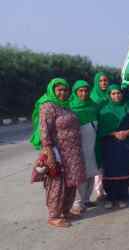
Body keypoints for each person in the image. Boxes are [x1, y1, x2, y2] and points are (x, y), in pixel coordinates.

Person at [30, 78, 86, 228]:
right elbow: (44, 132)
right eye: (59, 90)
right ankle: (54, 215)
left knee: (71, 183)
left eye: (65, 90)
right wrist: (49, 153)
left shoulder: (67, 106)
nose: (63, 93)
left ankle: (66, 211)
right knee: (56, 183)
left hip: (73, 153)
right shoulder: (48, 107)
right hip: (57, 152)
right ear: (53, 90)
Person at [97, 85, 129, 209]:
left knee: (124, 168)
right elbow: (100, 129)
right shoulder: (104, 110)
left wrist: (126, 133)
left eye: (118, 93)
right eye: (113, 94)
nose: (116, 96)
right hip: (109, 145)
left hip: (125, 144)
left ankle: (123, 196)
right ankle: (110, 197)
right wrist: (114, 133)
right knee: (110, 170)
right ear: (109, 95)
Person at [69, 80, 100, 213]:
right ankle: (77, 202)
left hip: (93, 145)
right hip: (79, 146)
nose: (84, 93)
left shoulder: (93, 106)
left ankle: (86, 199)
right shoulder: (71, 107)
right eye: (80, 91)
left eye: (86, 90)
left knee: (91, 172)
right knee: (80, 174)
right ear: (75, 92)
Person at [90, 72, 110, 201]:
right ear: (96, 82)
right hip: (96, 134)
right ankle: (98, 191)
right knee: (97, 162)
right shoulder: (92, 97)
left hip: (109, 133)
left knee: (107, 162)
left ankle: (107, 187)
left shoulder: (110, 95)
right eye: (101, 81)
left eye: (105, 80)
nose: (103, 83)